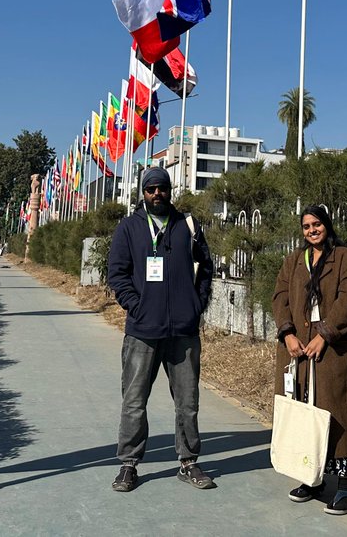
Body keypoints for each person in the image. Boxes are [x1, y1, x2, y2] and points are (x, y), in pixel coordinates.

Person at [107, 167, 215, 494]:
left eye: (162, 188)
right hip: (142, 330)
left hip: (183, 330)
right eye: (151, 188)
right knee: (134, 400)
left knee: (187, 401)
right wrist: (136, 306)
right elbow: (117, 274)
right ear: (143, 192)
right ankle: (129, 464)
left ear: (170, 191)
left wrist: (196, 305)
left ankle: (189, 461)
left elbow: (206, 267)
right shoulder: (129, 228)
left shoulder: (187, 226)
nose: (157, 193)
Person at [271, 205, 347, 516]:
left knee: (338, 412)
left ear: (327, 225)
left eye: (317, 224)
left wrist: (324, 334)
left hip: (332, 350)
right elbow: (280, 297)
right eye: (306, 226)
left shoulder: (345, 258)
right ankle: (311, 477)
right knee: (304, 411)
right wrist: (287, 334)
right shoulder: (294, 260)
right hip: (298, 349)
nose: (312, 230)